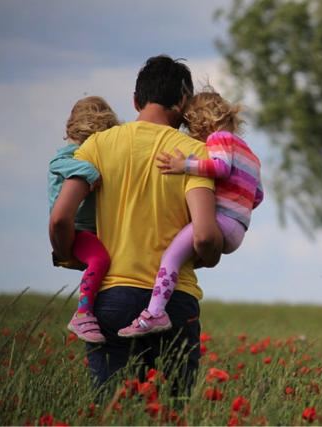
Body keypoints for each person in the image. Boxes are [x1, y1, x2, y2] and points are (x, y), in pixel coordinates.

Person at [49, 55, 223, 396]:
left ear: (135, 100)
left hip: (111, 299)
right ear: (184, 103)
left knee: (113, 409)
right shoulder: (194, 154)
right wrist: (212, 254)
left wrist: (66, 253)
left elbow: (59, 217)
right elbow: (204, 235)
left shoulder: (97, 145)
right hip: (174, 302)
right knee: (172, 413)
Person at [118, 87, 264, 338]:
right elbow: (258, 196)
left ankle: (154, 313)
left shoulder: (220, 139)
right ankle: (162, 299)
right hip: (238, 228)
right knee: (183, 259)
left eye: (190, 126)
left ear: (203, 121)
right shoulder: (251, 154)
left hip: (220, 221)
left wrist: (184, 165)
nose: (190, 133)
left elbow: (220, 168)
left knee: (170, 258)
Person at [48, 96, 120, 344]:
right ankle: (83, 313)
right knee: (100, 259)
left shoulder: (82, 153)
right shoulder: (69, 156)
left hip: (89, 230)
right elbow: (59, 164)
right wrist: (90, 172)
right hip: (77, 230)